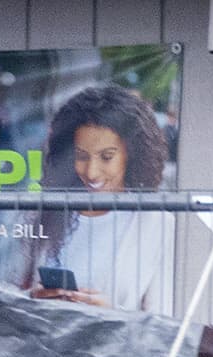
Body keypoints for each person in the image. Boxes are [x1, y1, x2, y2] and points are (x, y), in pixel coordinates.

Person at [26, 82, 172, 312]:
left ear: (131, 154)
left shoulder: (155, 222)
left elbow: (160, 323)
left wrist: (110, 316)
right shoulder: (41, 211)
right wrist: (34, 298)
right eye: (81, 156)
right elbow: (8, 297)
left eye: (106, 157)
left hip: (112, 347)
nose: (91, 172)